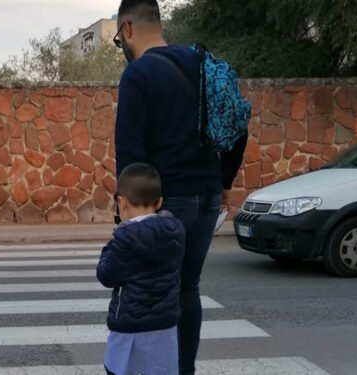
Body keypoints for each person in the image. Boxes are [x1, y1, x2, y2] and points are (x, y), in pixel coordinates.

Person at [112, 1, 248, 374]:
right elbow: (238, 125)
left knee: (150, 289)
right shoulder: (202, 63)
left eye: (117, 38)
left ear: (127, 28)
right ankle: (182, 368)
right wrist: (223, 181)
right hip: (205, 198)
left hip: (164, 201)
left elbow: (131, 156)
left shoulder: (138, 74)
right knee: (187, 287)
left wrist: (126, 214)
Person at [97, 163, 186, 375]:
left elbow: (106, 275)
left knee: (119, 370)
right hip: (165, 323)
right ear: (159, 202)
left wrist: (113, 241)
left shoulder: (125, 238)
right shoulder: (176, 231)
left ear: (121, 202)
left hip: (130, 325)